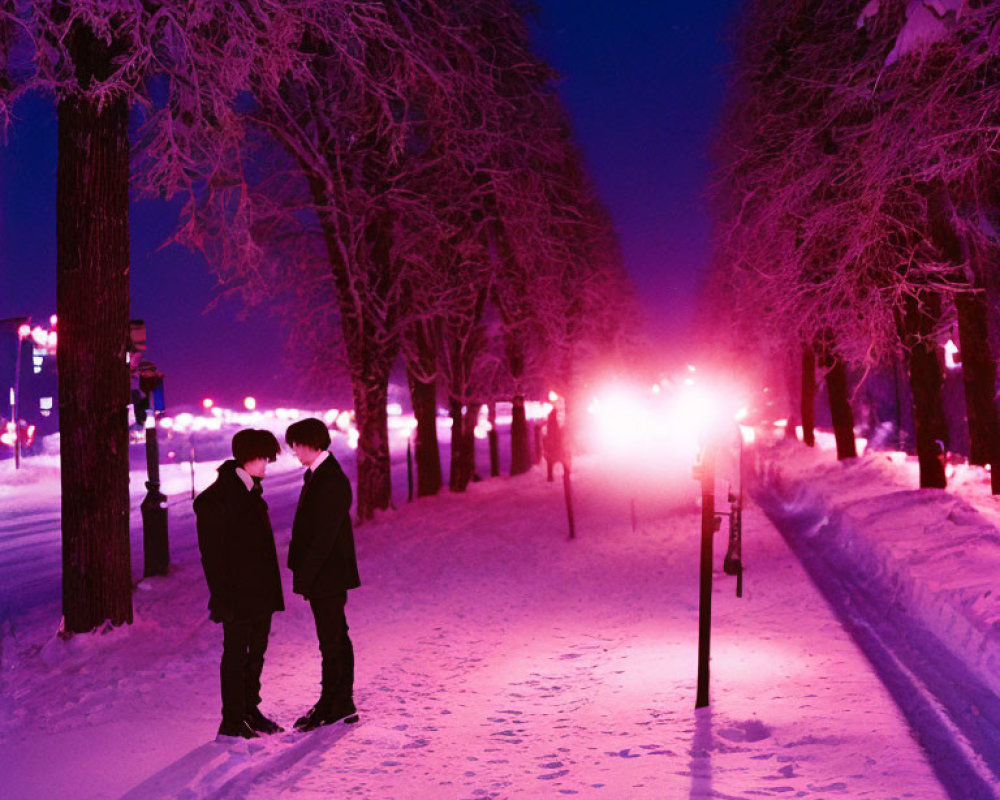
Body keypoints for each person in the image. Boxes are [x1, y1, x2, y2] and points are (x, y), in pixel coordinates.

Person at [194, 428, 285, 740]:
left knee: (255, 652)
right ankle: (232, 718)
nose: (267, 464)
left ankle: (249, 708)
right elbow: (213, 557)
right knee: (236, 655)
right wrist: (222, 596)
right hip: (237, 594)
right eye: (263, 457)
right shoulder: (216, 499)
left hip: (258, 592)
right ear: (247, 457)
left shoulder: (250, 490)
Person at [285, 417, 361, 731]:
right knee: (332, 638)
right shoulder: (319, 475)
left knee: (332, 640)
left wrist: (306, 575)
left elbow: (324, 536)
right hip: (325, 574)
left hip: (327, 575)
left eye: (295, 445)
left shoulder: (329, 479)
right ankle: (334, 701)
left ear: (309, 444)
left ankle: (339, 704)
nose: (293, 451)